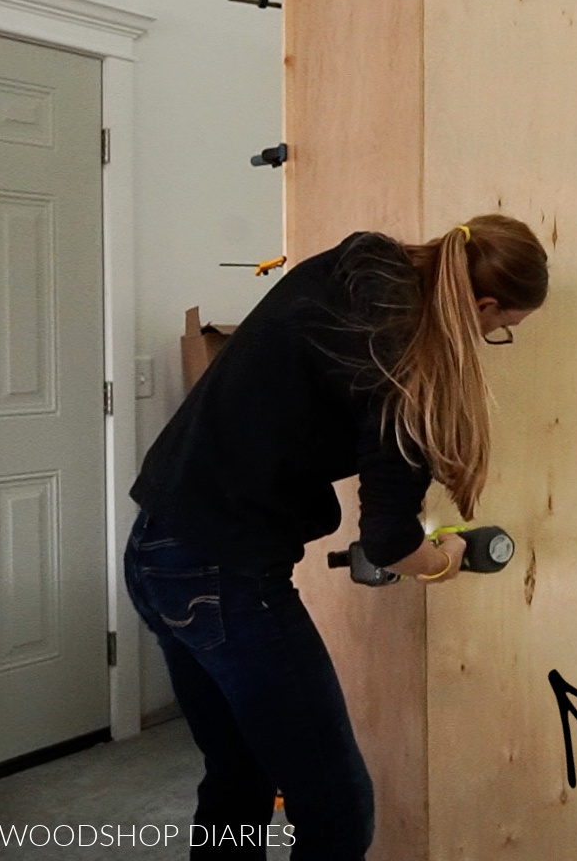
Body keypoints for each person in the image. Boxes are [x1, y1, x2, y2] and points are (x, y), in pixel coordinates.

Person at [122, 215, 549, 860]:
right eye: (500, 329)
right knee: (336, 807)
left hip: (155, 551)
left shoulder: (359, 264)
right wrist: (445, 559)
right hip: (228, 579)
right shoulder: (409, 369)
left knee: (239, 774)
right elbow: (388, 542)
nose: (494, 338)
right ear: (483, 305)